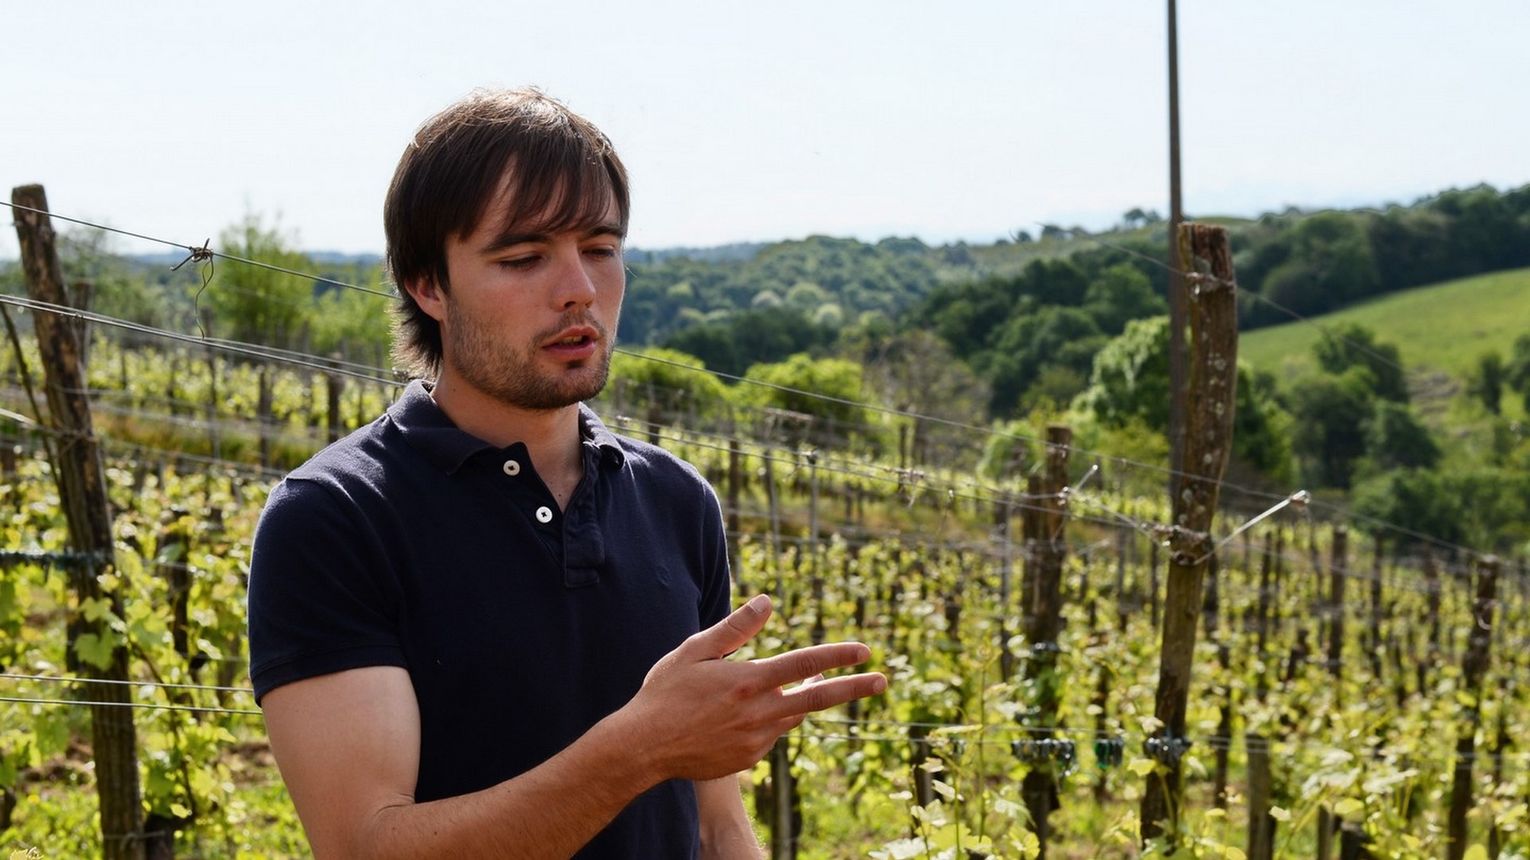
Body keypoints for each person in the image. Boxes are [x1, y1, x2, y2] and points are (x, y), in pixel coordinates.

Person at [247, 87, 887, 859]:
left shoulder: (677, 502)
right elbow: (366, 846)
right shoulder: (336, 518)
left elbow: (716, 826)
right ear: (427, 286)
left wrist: (674, 759)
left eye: (600, 248)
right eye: (523, 257)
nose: (578, 289)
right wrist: (638, 749)